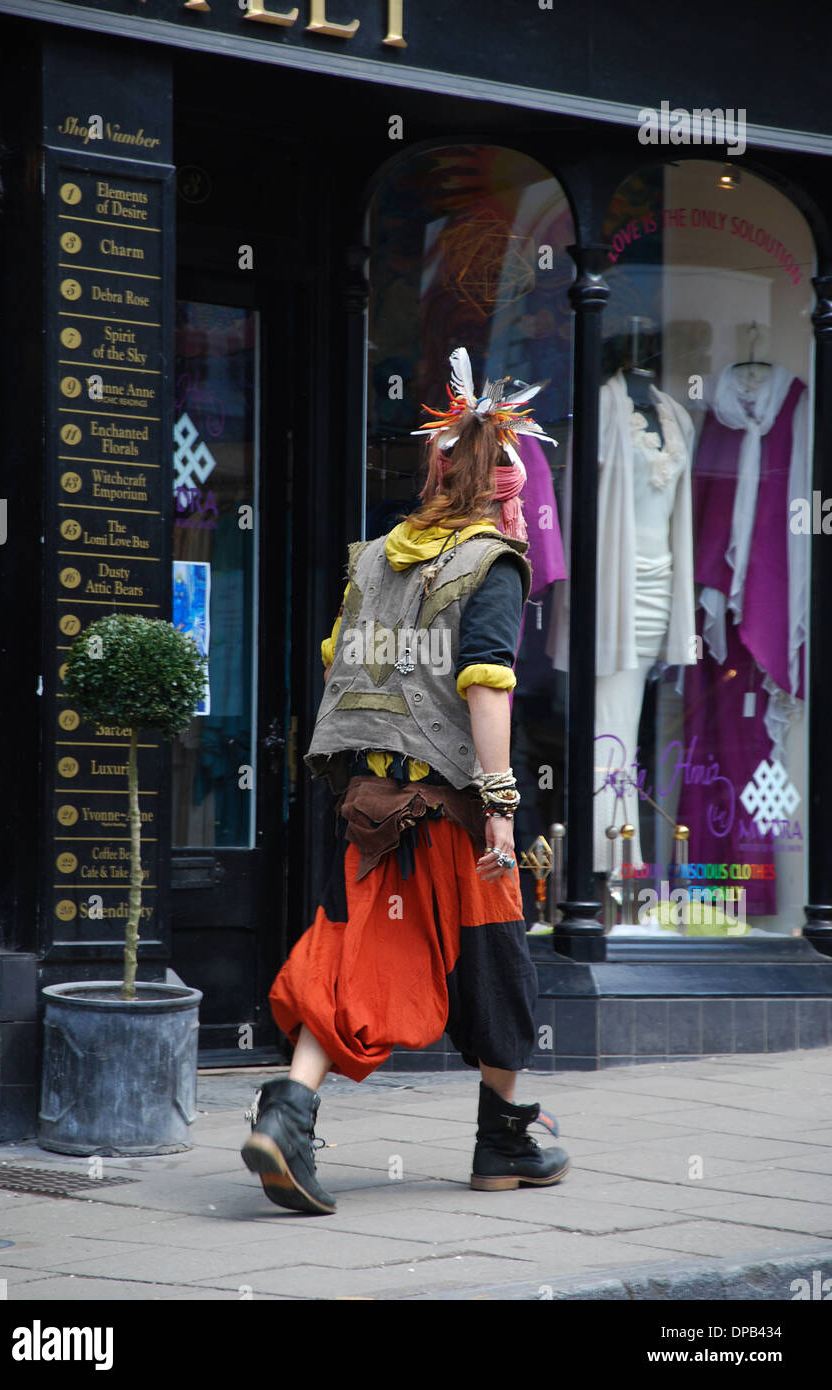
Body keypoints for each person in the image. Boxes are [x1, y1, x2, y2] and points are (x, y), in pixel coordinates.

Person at [241, 348, 570, 1215]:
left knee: (352, 958)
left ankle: (287, 1112)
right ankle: (501, 1141)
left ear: (439, 467)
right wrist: (501, 810)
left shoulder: (377, 557)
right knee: (498, 968)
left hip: (371, 803)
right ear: (504, 482)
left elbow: (339, 663)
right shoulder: (490, 560)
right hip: (456, 812)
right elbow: (487, 683)